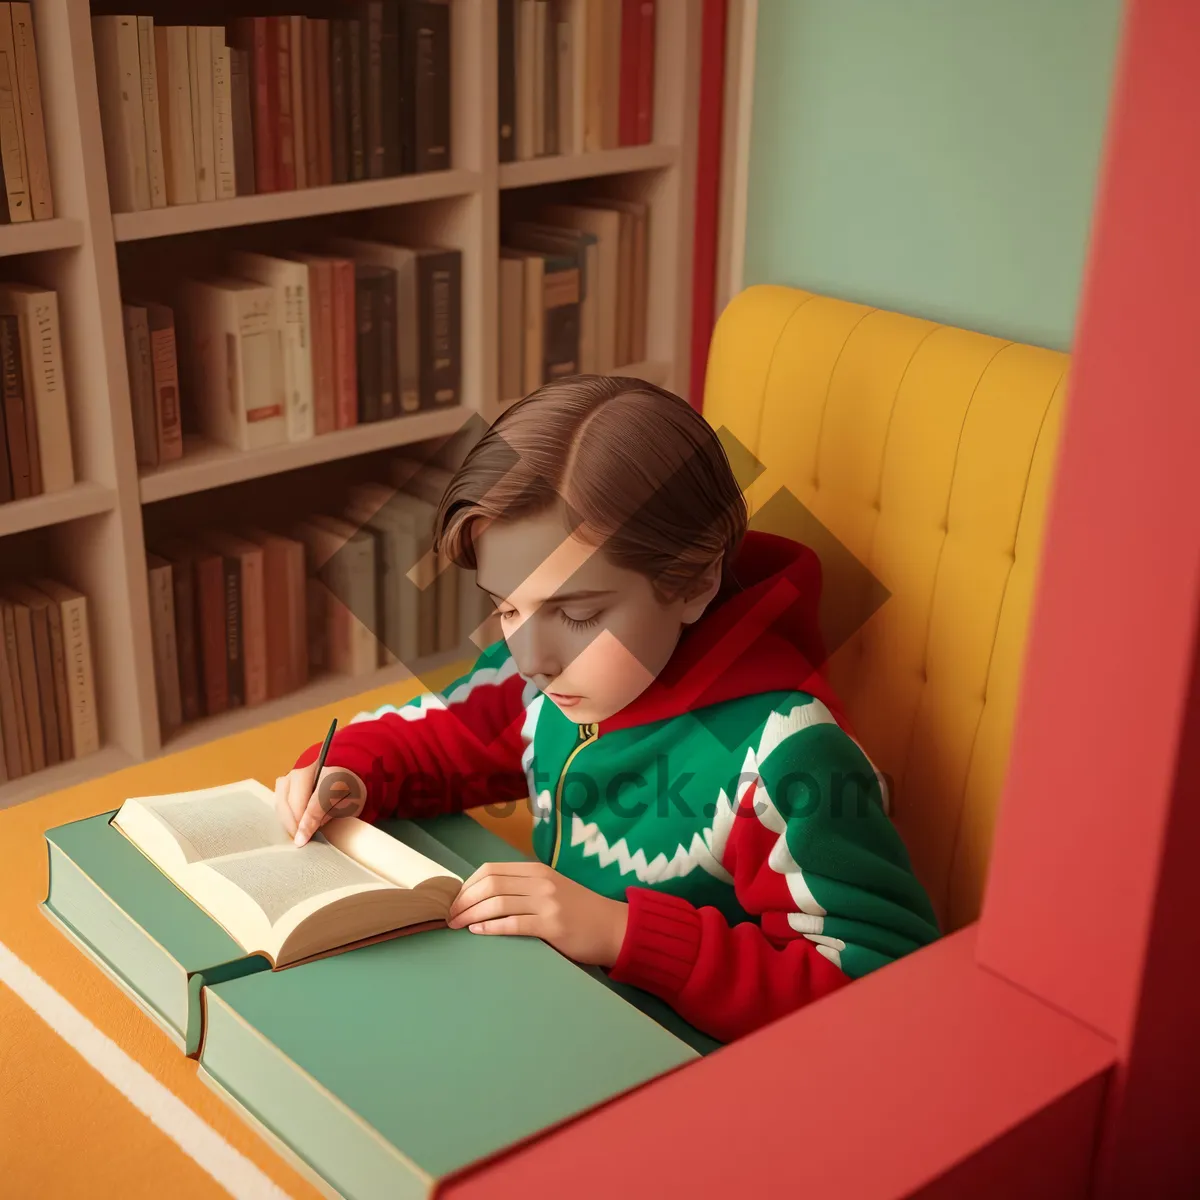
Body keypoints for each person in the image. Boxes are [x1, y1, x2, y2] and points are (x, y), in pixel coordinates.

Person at [274, 375, 940, 1043]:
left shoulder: (788, 755)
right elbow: (445, 735)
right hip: (557, 1011)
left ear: (693, 581)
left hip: (686, 1071)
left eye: (579, 612)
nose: (531, 654)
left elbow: (885, 989)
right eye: (506, 606)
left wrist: (621, 932)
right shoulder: (542, 676)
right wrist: (347, 773)